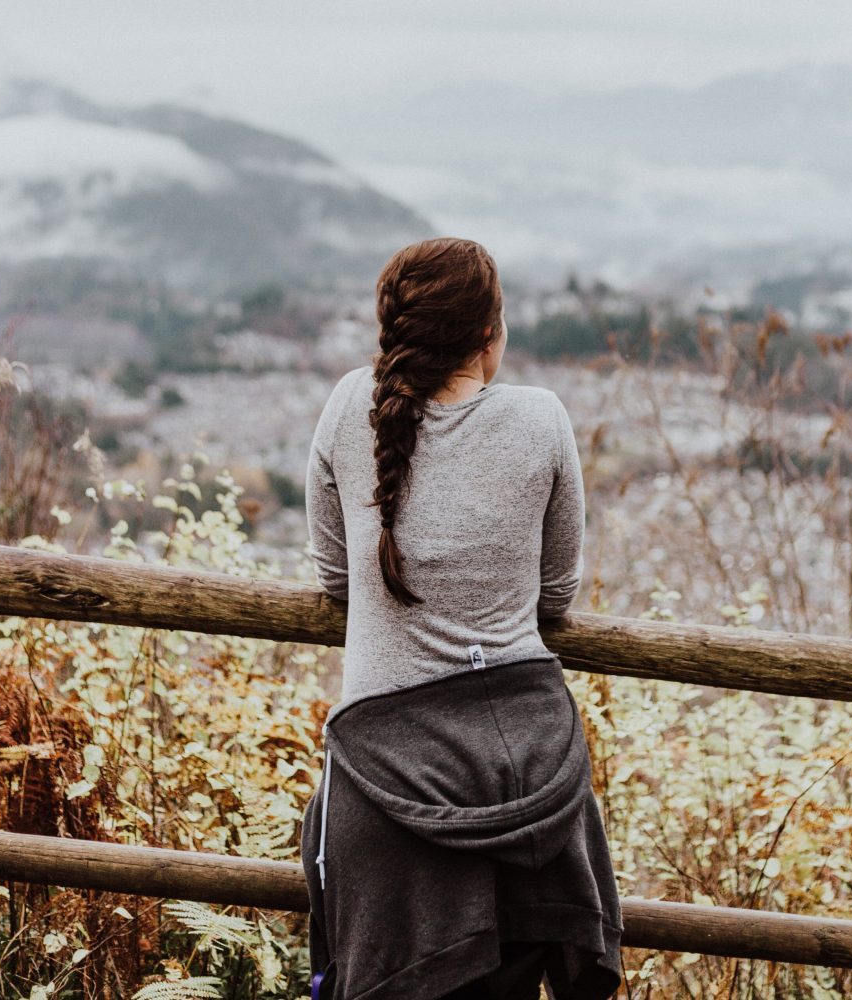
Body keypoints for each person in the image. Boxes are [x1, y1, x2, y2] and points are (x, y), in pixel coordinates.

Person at [300, 237, 623, 1000]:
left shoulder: (349, 405)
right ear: (490, 335)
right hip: (529, 776)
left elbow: (333, 576)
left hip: (384, 789)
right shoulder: (542, 419)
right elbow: (556, 596)